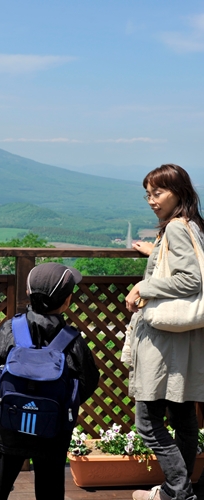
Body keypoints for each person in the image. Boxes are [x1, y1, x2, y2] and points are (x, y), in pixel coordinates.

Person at [0, 262, 99, 500]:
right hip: (52, 431)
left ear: (27, 293)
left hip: (9, 426)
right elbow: (88, 382)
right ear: (67, 302)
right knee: (50, 489)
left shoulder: (10, 329)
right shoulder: (72, 340)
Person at [125, 164, 204, 500]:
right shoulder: (192, 225)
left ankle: (178, 491)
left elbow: (191, 279)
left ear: (179, 192)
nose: (151, 200)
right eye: (148, 194)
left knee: (147, 420)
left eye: (158, 192)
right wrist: (153, 252)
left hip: (164, 341)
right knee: (184, 417)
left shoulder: (174, 228)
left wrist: (144, 284)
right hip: (185, 339)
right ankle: (174, 492)